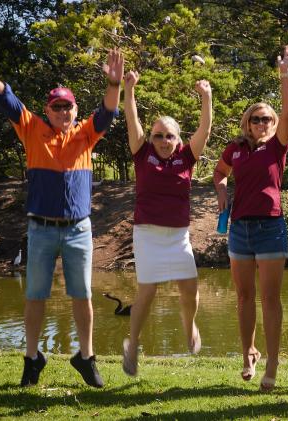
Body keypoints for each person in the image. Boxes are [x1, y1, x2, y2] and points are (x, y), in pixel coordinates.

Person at [0, 36, 123, 388]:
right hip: (41, 230)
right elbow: (5, 97)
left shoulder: (85, 135)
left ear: (76, 111)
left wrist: (113, 83)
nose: (63, 112)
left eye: (68, 107)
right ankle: (32, 358)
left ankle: (86, 357)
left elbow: (108, 111)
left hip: (79, 229)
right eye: (57, 107)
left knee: (83, 296)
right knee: (35, 296)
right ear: (47, 110)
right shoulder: (31, 128)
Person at [213, 45, 288, 392]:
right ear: (247, 122)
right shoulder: (235, 149)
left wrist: (285, 74)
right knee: (244, 297)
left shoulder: (277, 145)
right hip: (240, 230)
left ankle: (273, 365)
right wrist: (222, 197)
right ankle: (247, 353)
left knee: (270, 299)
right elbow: (218, 174)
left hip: (270, 228)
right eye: (256, 118)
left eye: (267, 118)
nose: (261, 123)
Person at [121, 70, 212, 376]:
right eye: (158, 135)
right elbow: (131, 120)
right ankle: (132, 344)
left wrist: (206, 96)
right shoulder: (141, 152)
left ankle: (189, 327)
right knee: (147, 292)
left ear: (178, 139)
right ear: (151, 137)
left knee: (190, 288)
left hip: (178, 236)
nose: (163, 140)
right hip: (147, 234)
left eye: (169, 135)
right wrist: (129, 90)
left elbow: (205, 130)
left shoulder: (186, 157)